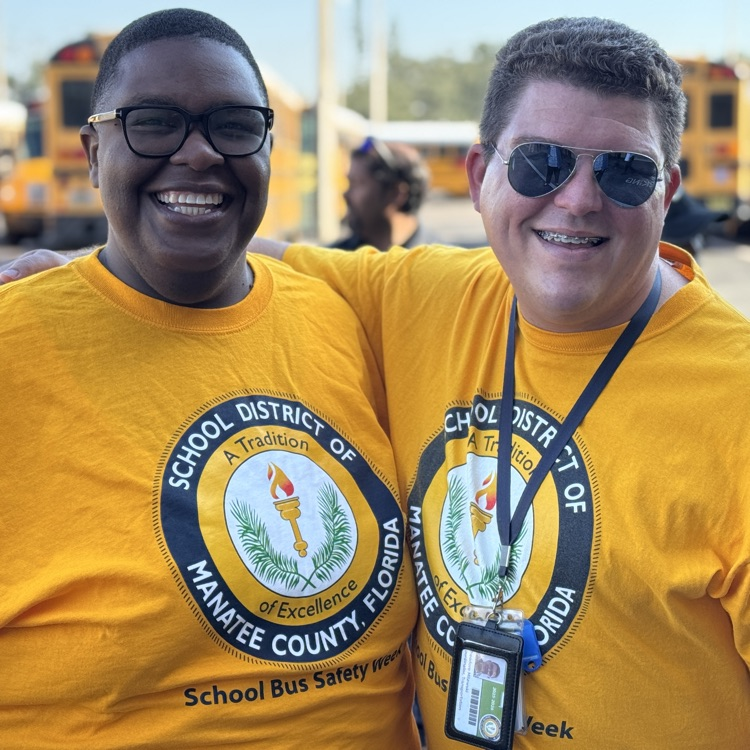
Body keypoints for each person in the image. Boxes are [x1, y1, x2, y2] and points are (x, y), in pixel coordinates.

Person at [4, 16, 750, 750]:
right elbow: (230, 241)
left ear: (668, 189)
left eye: (624, 170)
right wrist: (72, 278)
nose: (580, 199)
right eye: (542, 163)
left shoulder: (732, 394)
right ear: (479, 176)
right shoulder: (415, 297)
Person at [0, 9, 420, 749]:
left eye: (233, 125)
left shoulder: (341, 321)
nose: (198, 154)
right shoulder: (15, 347)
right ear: (93, 152)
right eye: (154, 124)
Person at [331, 136, 432, 251]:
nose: (346, 195)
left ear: (397, 193)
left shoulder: (442, 264)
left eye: (357, 184)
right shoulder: (332, 263)